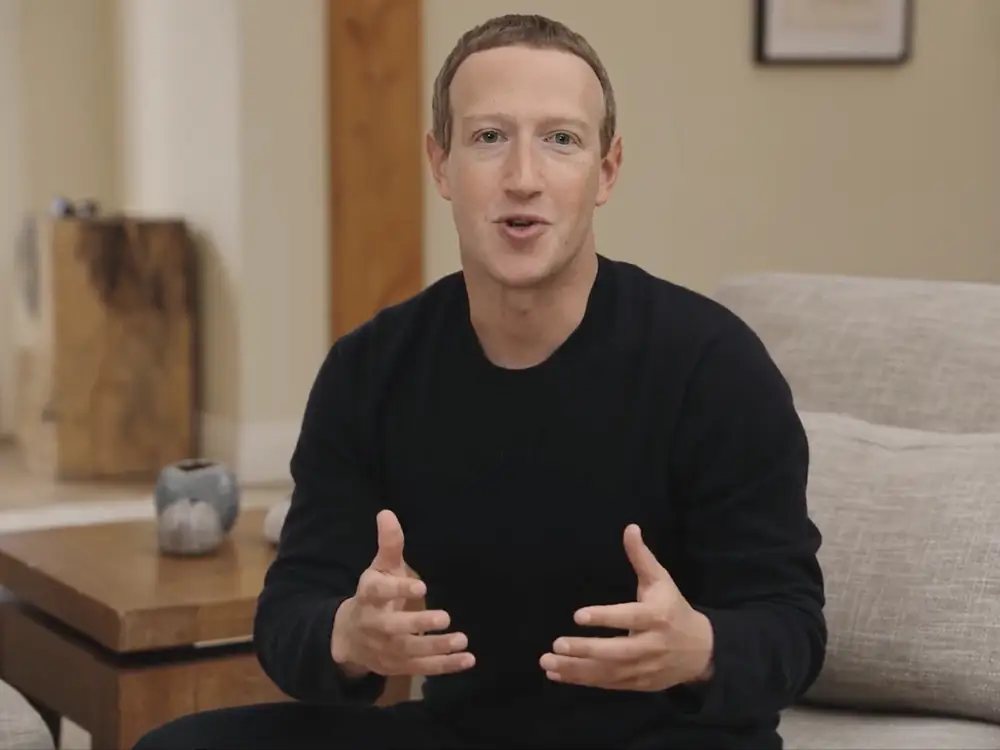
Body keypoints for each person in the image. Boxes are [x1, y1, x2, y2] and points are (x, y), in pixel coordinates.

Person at [133, 12, 825, 750]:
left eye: (561, 140)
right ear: (440, 164)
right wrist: (350, 634)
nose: (523, 178)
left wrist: (698, 649)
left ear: (607, 170)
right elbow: (290, 612)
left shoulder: (713, 367)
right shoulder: (371, 369)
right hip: (464, 731)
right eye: (489, 137)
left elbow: (792, 628)